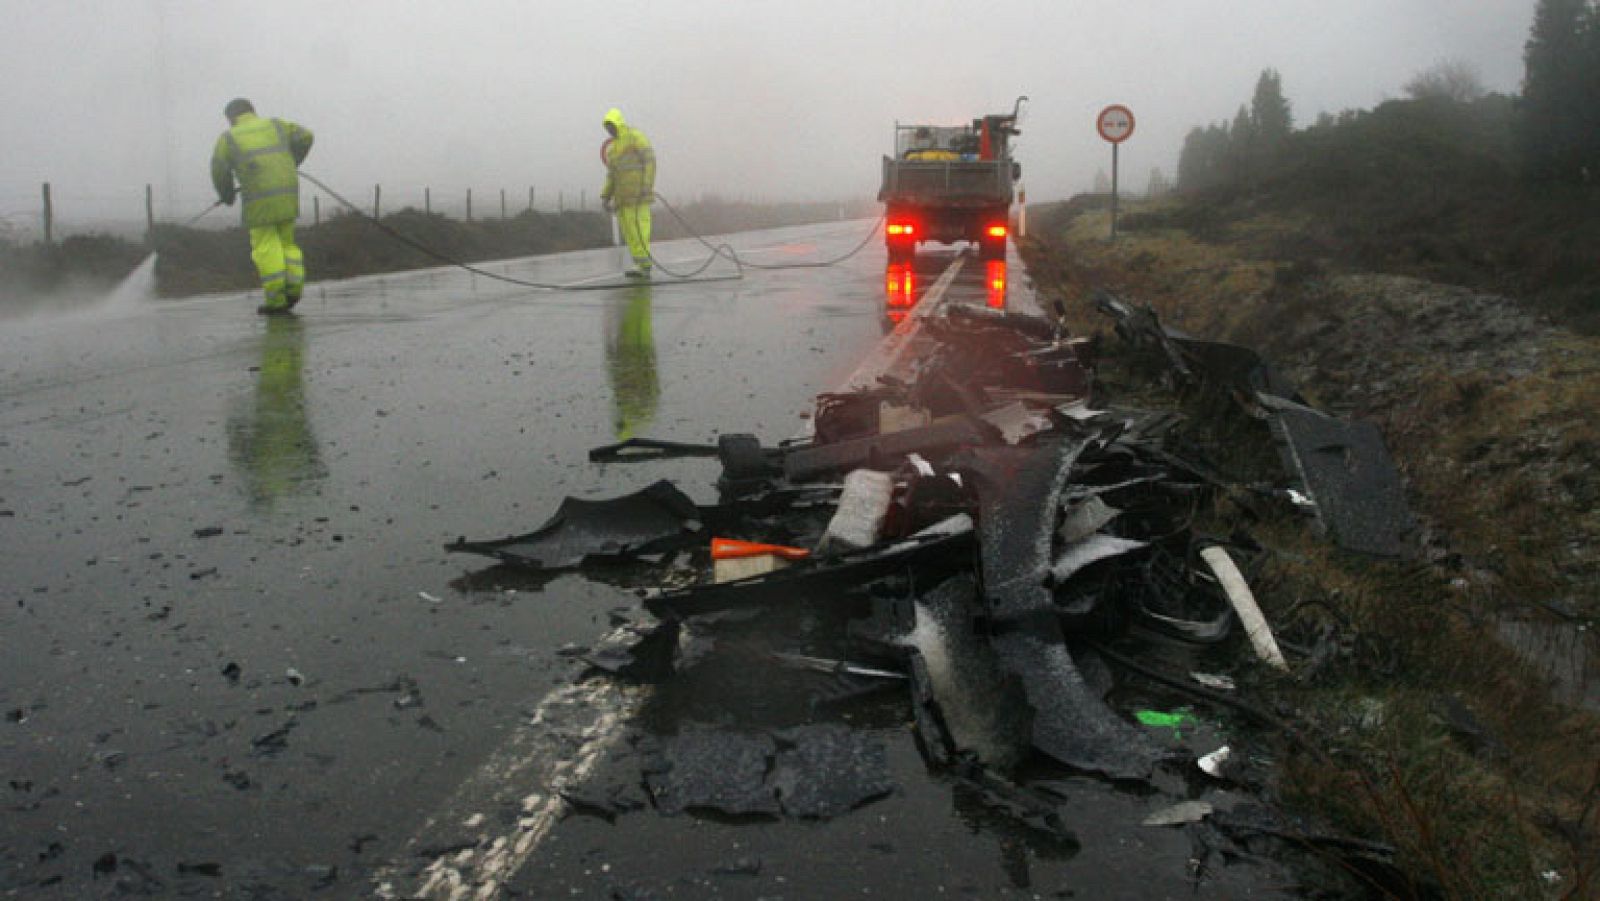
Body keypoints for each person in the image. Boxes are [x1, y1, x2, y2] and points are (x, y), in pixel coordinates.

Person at [211, 98, 314, 315]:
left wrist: (227, 195)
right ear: (252, 111)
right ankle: (293, 290)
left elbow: (219, 170)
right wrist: (291, 161)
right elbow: (306, 136)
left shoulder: (229, 138)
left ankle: (276, 300)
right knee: (287, 243)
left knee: (266, 247)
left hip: (259, 197)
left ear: (231, 117)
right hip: (287, 191)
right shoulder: (276, 125)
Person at [600, 108, 656, 278]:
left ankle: (645, 264)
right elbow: (612, 175)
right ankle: (640, 263)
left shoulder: (636, 138)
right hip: (623, 199)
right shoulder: (613, 149)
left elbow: (650, 162)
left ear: (618, 123)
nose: (610, 130)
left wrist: (646, 186)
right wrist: (605, 195)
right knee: (630, 232)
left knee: (640, 230)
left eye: (611, 126)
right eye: (607, 127)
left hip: (638, 197)